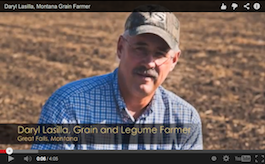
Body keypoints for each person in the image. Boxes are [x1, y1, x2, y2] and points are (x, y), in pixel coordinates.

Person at [31, 4, 203, 150]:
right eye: (140, 49)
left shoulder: (184, 120)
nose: (149, 63)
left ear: (174, 60)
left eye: (160, 54)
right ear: (120, 47)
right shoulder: (69, 106)